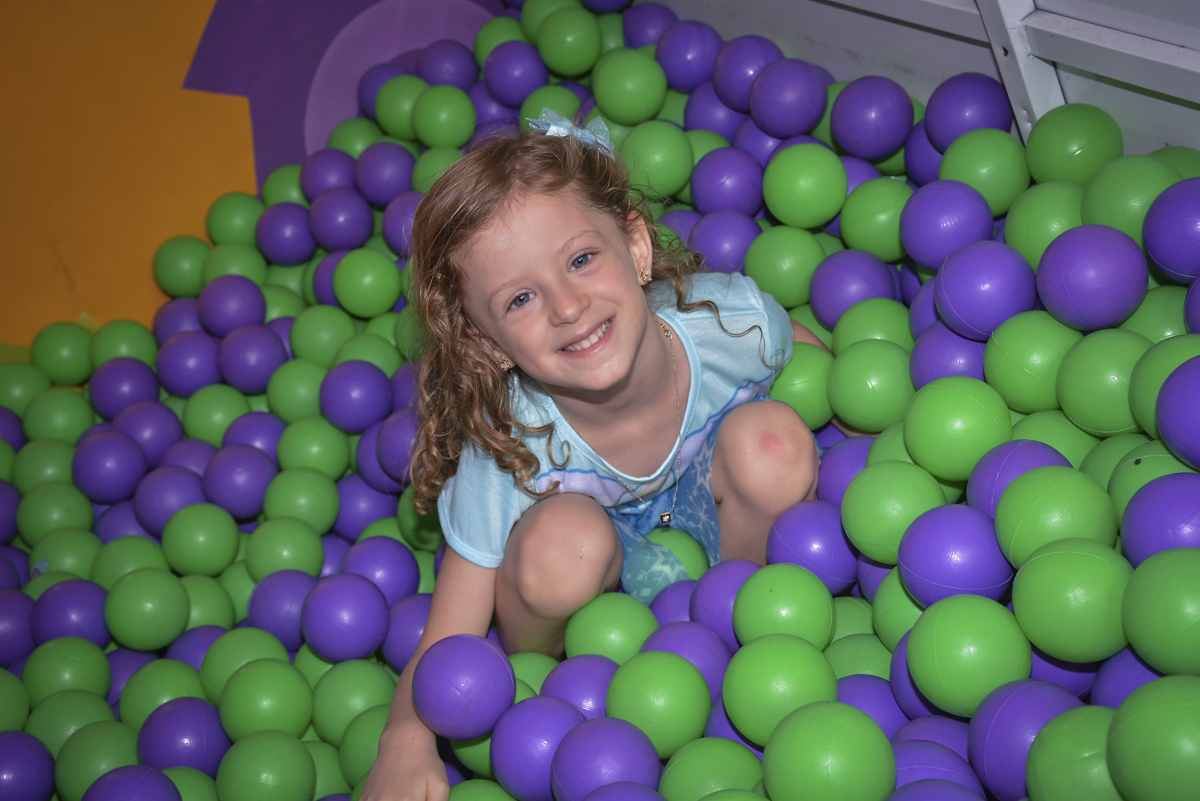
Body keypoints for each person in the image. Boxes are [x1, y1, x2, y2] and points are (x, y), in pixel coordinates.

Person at [361, 113, 828, 801]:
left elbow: (817, 358)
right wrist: (405, 736)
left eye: (581, 259)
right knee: (563, 543)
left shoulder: (733, 325)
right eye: (519, 299)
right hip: (585, 578)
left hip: (718, 518)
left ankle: (738, 626)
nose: (568, 305)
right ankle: (545, 675)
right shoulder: (509, 445)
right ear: (488, 345)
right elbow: (452, 629)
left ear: (637, 249)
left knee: (773, 442)